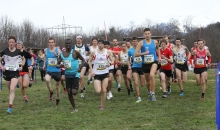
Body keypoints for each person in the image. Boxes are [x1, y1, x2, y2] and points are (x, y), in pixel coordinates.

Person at [57, 39, 85, 113]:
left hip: (75, 74)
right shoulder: (62, 54)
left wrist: (80, 67)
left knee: (74, 92)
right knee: (69, 92)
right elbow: (58, 63)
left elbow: (83, 60)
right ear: (65, 44)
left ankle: (77, 85)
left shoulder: (75, 52)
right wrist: (59, 65)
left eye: (69, 43)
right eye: (67, 43)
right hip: (67, 74)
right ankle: (74, 108)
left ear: (71, 44)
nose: (68, 45)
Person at [135, 28, 161, 101]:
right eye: (146, 34)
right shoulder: (141, 43)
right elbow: (136, 54)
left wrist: (159, 57)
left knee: (152, 75)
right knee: (148, 82)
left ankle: (153, 94)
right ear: (144, 35)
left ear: (151, 34)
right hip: (145, 63)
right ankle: (149, 90)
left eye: (148, 33)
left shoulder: (155, 42)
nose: (147, 35)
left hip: (153, 62)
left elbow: (158, 49)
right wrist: (144, 53)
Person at [0, 36, 25, 114]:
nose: (11, 43)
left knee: (11, 89)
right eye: (10, 42)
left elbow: (23, 59)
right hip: (7, 72)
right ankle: (15, 86)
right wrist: (1, 67)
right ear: (8, 42)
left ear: (15, 43)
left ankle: (10, 107)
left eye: (12, 42)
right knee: (10, 90)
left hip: (15, 72)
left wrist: (21, 66)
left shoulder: (18, 52)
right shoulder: (4, 51)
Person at [88, 40, 113, 110]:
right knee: (98, 91)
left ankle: (102, 105)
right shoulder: (94, 52)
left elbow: (113, 61)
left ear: (104, 45)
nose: (100, 45)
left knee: (104, 90)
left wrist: (110, 64)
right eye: (99, 43)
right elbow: (89, 61)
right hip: (97, 74)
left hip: (105, 73)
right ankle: (97, 85)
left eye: (101, 44)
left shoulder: (108, 52)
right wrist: (91, 70)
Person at [43, 37, 61, 105]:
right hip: (49, 69)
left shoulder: (58, 50)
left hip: (56, 70)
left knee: (57, 86)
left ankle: (58, 98)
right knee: (47, 80)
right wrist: (44, 64)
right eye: (49, 42)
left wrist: (57, 56)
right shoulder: (46, 50)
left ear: (54, 43)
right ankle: (51, 92)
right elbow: (45, 57)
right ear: (48, 43)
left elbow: (61, 58)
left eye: (52, 42)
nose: (51, 44)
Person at [128, 37, 145, 103]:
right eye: (133, 41)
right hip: (134, 67)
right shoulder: (130, 50)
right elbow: (128, 59)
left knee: (142, 84)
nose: (135, 42)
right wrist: (129, 65)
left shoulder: (142, 48)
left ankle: (142, 89)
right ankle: (138, 96)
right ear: (132, 42)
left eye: (136, 41)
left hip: (142, 67)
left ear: (138, 42)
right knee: (136, 82)